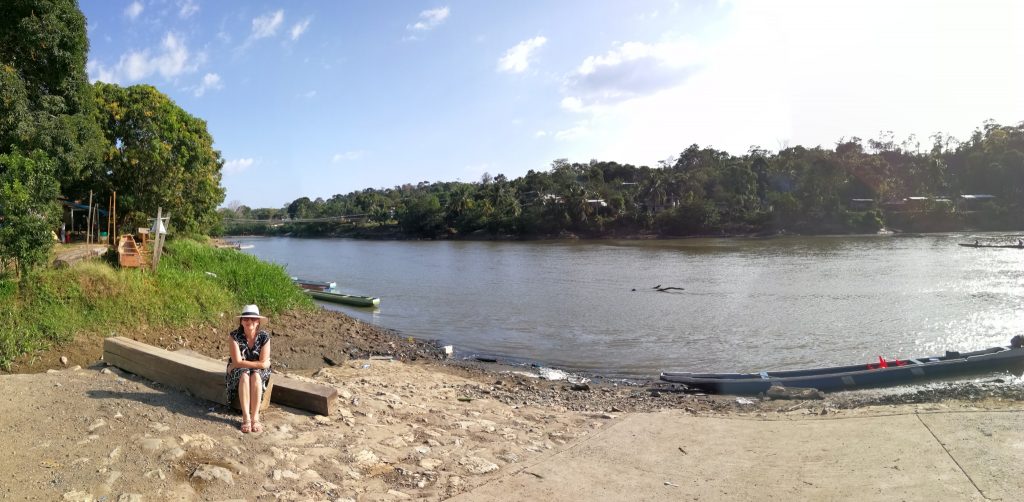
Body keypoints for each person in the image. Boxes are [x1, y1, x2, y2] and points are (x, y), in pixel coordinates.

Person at [226, 304, 272, 433]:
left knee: (256, 375)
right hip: (240, 370)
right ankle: (246, 417)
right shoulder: (234, 336)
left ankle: (255, 417)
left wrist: (258, 365)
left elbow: (243, 362)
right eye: (245, 319)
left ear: (258, 322)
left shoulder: (264, 337)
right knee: (245, 375)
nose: (249, 321)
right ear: (241, 321)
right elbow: (238, 362)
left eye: (253, 319)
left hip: (256, 370)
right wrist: (260, 364)